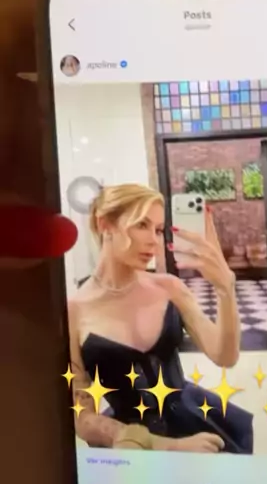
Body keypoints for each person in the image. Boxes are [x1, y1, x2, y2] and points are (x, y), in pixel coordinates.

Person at [69, 182, 252, 454]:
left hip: (195, 421)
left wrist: (225, 289)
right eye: (141, 225)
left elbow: (225, 356)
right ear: (105, 224)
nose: (153, 241)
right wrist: (168, 446)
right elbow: (81, 416)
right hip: (131, 445)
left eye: (157, 229)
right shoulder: (74, 311)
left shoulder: (170, 288)